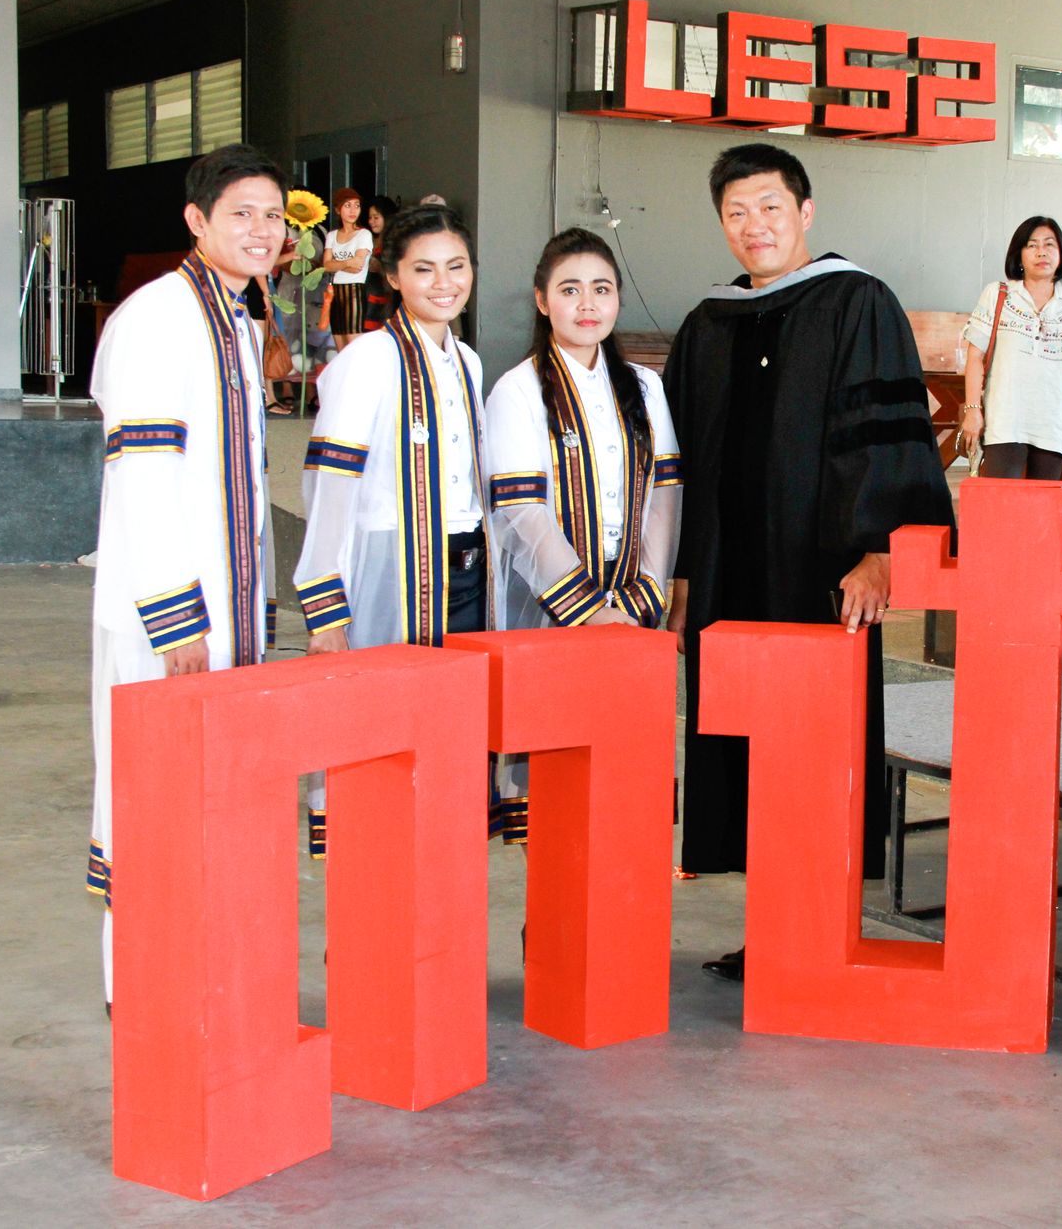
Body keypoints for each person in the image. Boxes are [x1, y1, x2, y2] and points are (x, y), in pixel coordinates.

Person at [665, 142, 955, 981]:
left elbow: (890, 436)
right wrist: (679, 572)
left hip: (817, 576)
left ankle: (817, 933)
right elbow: (678, 464)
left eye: (769, 207)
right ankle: (774, 930)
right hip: (726, 577)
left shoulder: (858, 302)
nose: (754, 225)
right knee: (746, 747)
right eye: (736, 212)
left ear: (806, 212)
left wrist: (881, 550)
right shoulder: (709, 324)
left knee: (817, 749)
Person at [87, 143, 285, 1009]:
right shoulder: (159, 317)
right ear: (197, 220)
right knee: (151, 793)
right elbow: (143, 476)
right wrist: (178, 622)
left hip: (227, 609)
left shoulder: (238, 320)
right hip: (169, 618)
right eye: (241, 213)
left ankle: (206, 979)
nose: (262, 230)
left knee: (216, 792)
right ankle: (139, 991)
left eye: (273, 215)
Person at [294, 202, 490, 853]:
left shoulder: (468, 360)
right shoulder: (368, 361)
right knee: (378, 734)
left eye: (457, 266)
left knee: (448, 738)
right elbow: (329, 485)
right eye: (424, 269)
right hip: (392, 568)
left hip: (467, 572)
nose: (444, 282)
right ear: (393, 276)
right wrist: (325, 609)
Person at [485, 226, 683, 842]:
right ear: (542, 300)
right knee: (551, 783)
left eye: (601, 288)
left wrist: (649, 590)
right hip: (551, 609)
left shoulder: (644, 386)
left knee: (621, 782)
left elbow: (665, 494)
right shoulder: (518, 390)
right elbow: (522, 514)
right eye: (570, 290)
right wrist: (591, 609)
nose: (587, 304)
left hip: (633, 610)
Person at [955, 215, 1062, 480]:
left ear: (1061, 253)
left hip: (1055, 426)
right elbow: (975, 357)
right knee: (1002, 501)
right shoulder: (998, 294)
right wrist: (973, 411)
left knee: (1043, 503)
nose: (1041, 252)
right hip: (1004, 422)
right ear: (1019, 255)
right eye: (1032, 245)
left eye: (1049, 244)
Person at [320, 187, 372, 351]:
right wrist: (348, 262)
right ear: (337, 209)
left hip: (354, 291)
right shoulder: (331, 235)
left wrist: (336, 263)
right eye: (347, 205)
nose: (353, 210)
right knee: (339, 344)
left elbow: (357, 267)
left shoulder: (364, 234)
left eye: (357, 205)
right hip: (336, 292)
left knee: (353, 345)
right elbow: (326, 266)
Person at [362, 194, 400, 331]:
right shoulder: (369, 240)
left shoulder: (395, 242)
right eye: (370, 218)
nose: (371, 221)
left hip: (385, 300)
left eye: (376, 217)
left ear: (387, 217)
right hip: (367, 297)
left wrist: (380, 268)